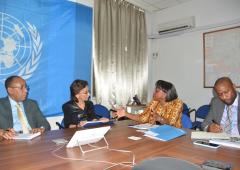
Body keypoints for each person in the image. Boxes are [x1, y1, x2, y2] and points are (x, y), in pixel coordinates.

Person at [115, 80, 183, 128]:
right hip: (156, 133)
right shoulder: (155, 102)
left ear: (165, 94)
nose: (153, 92)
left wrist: (160, 119)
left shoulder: (177, 103)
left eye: (157, 91)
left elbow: (172, 123)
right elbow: (143, 118)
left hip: (174, 135)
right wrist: (126, 114)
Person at [0, 76, 50, 140]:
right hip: (11, 141)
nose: (26, 90)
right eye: (21, 88)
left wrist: (40, 128)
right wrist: (2, 132)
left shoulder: (32, 104)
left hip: (33, 139)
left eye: (26, 87)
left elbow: (45, 124)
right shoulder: (1, 105)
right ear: (10, 90)